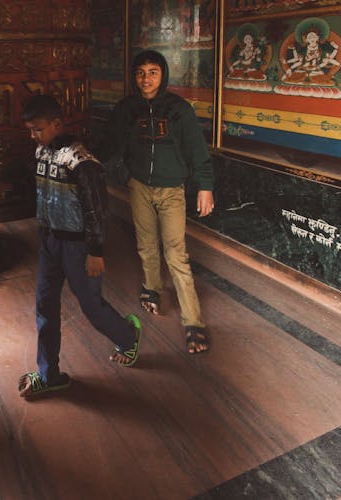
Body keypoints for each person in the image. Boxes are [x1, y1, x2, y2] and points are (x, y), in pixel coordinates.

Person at [18, 94, 142, 399]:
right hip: (50, 242)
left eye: (38, 129)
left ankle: (128, 336)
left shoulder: (82, 163)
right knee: (45, 306)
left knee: (92, 307)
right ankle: (50, 376)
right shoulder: (41, 153)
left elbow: (97, 210)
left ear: (57, 124)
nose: (33, 135)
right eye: (31, 130)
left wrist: (96, 251)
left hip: (78, 247)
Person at [98, 49, 214, 354]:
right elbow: (110, 143)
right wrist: (89, 162)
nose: (146, 79)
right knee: (146, 245)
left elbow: (197, 151)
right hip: (139, 186)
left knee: (176, 253)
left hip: (172, 190)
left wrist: (205, 187)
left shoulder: (178, 109)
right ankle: (152, 287)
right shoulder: (127, 108)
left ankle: (194, 322)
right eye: (140, 73)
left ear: (163, 75)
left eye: (152, 72)